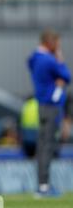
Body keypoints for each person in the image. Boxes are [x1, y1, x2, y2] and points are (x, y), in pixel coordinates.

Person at [28, 29, 71, 197]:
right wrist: (59, 60)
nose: (58, 47)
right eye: (57, 44)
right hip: (51, 106)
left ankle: (43, 184)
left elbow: (30, 63)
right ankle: (44, 186)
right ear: (50, 42)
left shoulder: (35, 58)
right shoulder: (49, 60)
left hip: (42, 105)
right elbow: (67, 75)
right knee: (47, 146)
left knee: (43, 145)